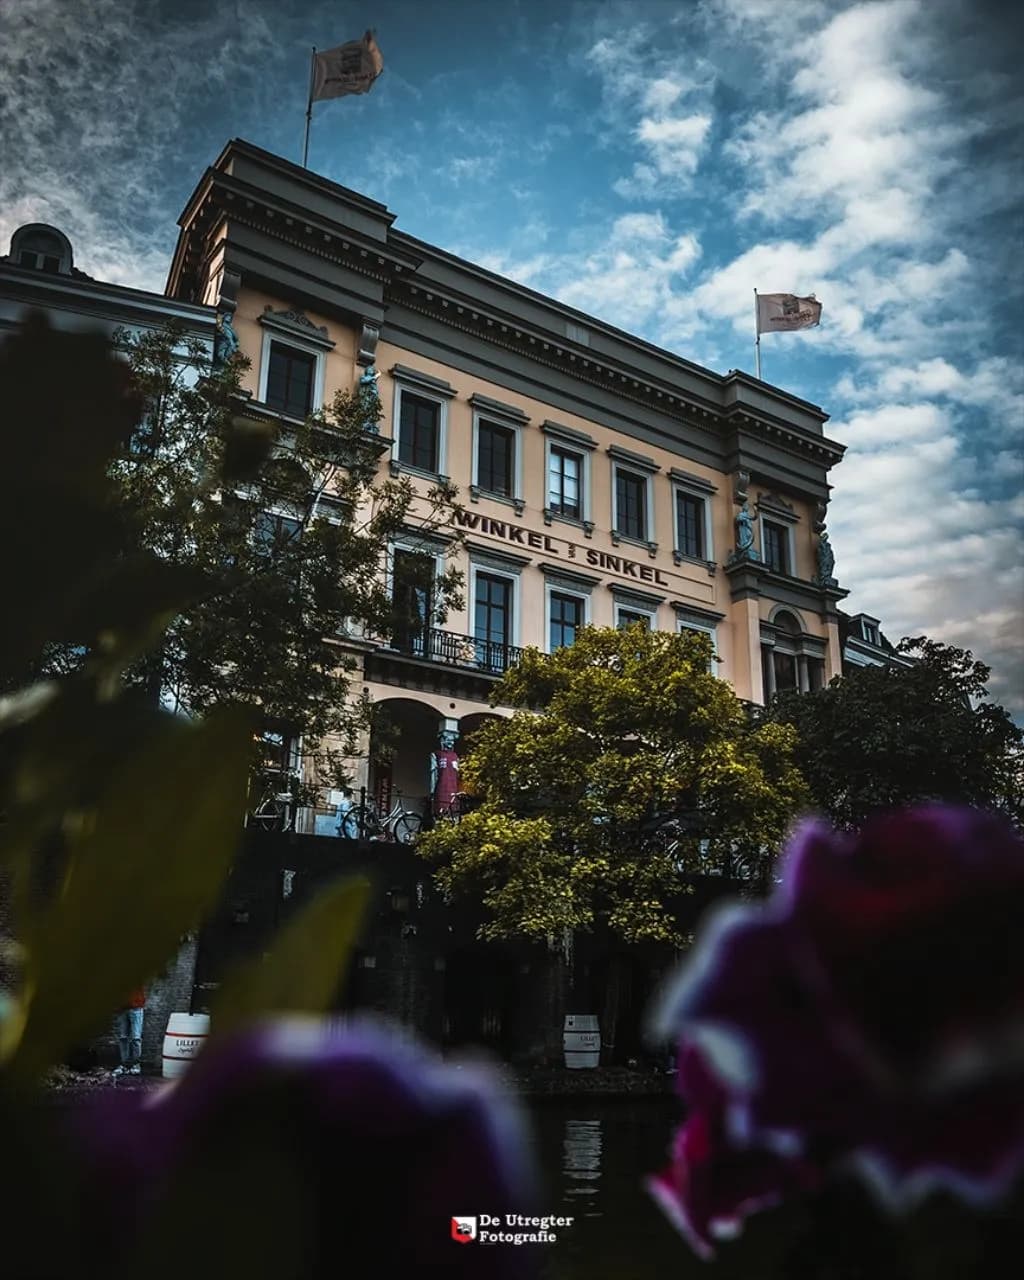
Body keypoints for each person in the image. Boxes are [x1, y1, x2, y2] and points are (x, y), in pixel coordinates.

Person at [112, 986, 146, 1077]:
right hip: (122, 1008)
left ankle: (136, 1064)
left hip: (136, 1007)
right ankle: (124, 1065)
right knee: (123, 1038)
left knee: (136, 1038)